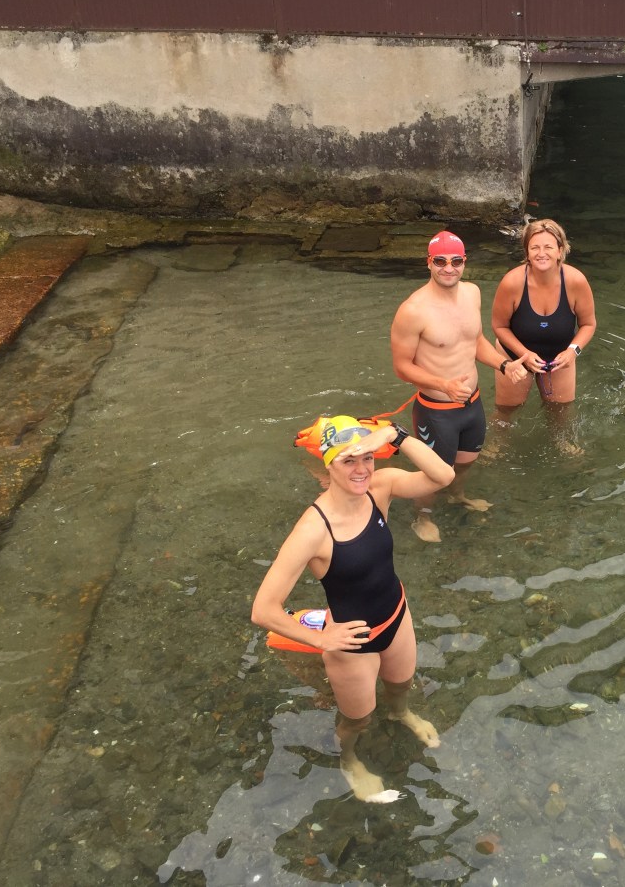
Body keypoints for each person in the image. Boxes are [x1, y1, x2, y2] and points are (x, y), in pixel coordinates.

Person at [252, 415, 454, 802]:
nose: (361, 469)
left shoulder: (380, 487)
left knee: (401, 685)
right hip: (352, 644)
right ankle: (348, 760)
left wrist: (395, 435)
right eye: (348, 460)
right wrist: (321, 639)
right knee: (357, 720)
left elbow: (442, 476)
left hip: (397, 616)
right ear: (328, 464)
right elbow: (264, 609)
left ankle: (401, 714)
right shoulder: (313, 529)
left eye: (367, 457)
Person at [389, 230, 528, 542]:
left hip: (472, 405)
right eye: (440, 261)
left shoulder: (472, 293)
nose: (448, 268)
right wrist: (443, 384)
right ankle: (422, 516)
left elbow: (474, 341)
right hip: (436, 411)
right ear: (429, 263)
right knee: (435, 475)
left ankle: (457, 496)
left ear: (464, 262)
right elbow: (401, 367)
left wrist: (504, 365)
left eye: (455, 261)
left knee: (465, 464)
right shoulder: (413, 311)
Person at [490, 218, 596, 426]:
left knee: (561, 414)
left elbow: (589, 324)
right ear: (527, 252)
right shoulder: (512, 283)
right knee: (506, 412)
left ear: (560, 250)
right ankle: (499, 440)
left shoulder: (576, 281)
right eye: (534, 247)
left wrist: (573, 351)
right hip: (515, 355)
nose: (541, 253)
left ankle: (562, 441)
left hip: (560, 357)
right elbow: (499, 326)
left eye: (548, 247)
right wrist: (525, 354)